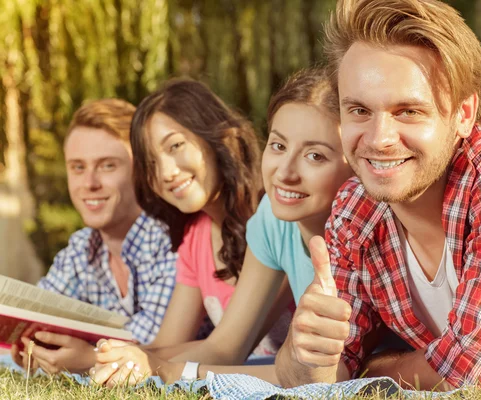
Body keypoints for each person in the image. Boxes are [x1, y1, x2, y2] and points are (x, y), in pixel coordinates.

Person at [276, 0, 481, 390]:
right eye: (359, 110)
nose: (379, 140)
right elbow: (316, 380)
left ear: (463, 114)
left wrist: (373, 369)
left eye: (408, 111)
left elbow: (475, 375)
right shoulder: (353, 210)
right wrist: (306, 351)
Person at [90, 68, 354, 386]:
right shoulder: (270, 220)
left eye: (314, 155)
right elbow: (225, 346)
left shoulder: (346, 228)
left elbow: (329, 376)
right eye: (278, 146)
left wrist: (171, 369)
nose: (285, 173)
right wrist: (133, 362)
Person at [11, 99, 178, 375]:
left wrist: (89, 356)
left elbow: (154, 346)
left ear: (141, 171)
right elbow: (37, 310)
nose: (89, 183)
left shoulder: (170, 239)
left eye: (107, 166)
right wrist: (33, 344)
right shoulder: (82, 247)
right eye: (77, 167)